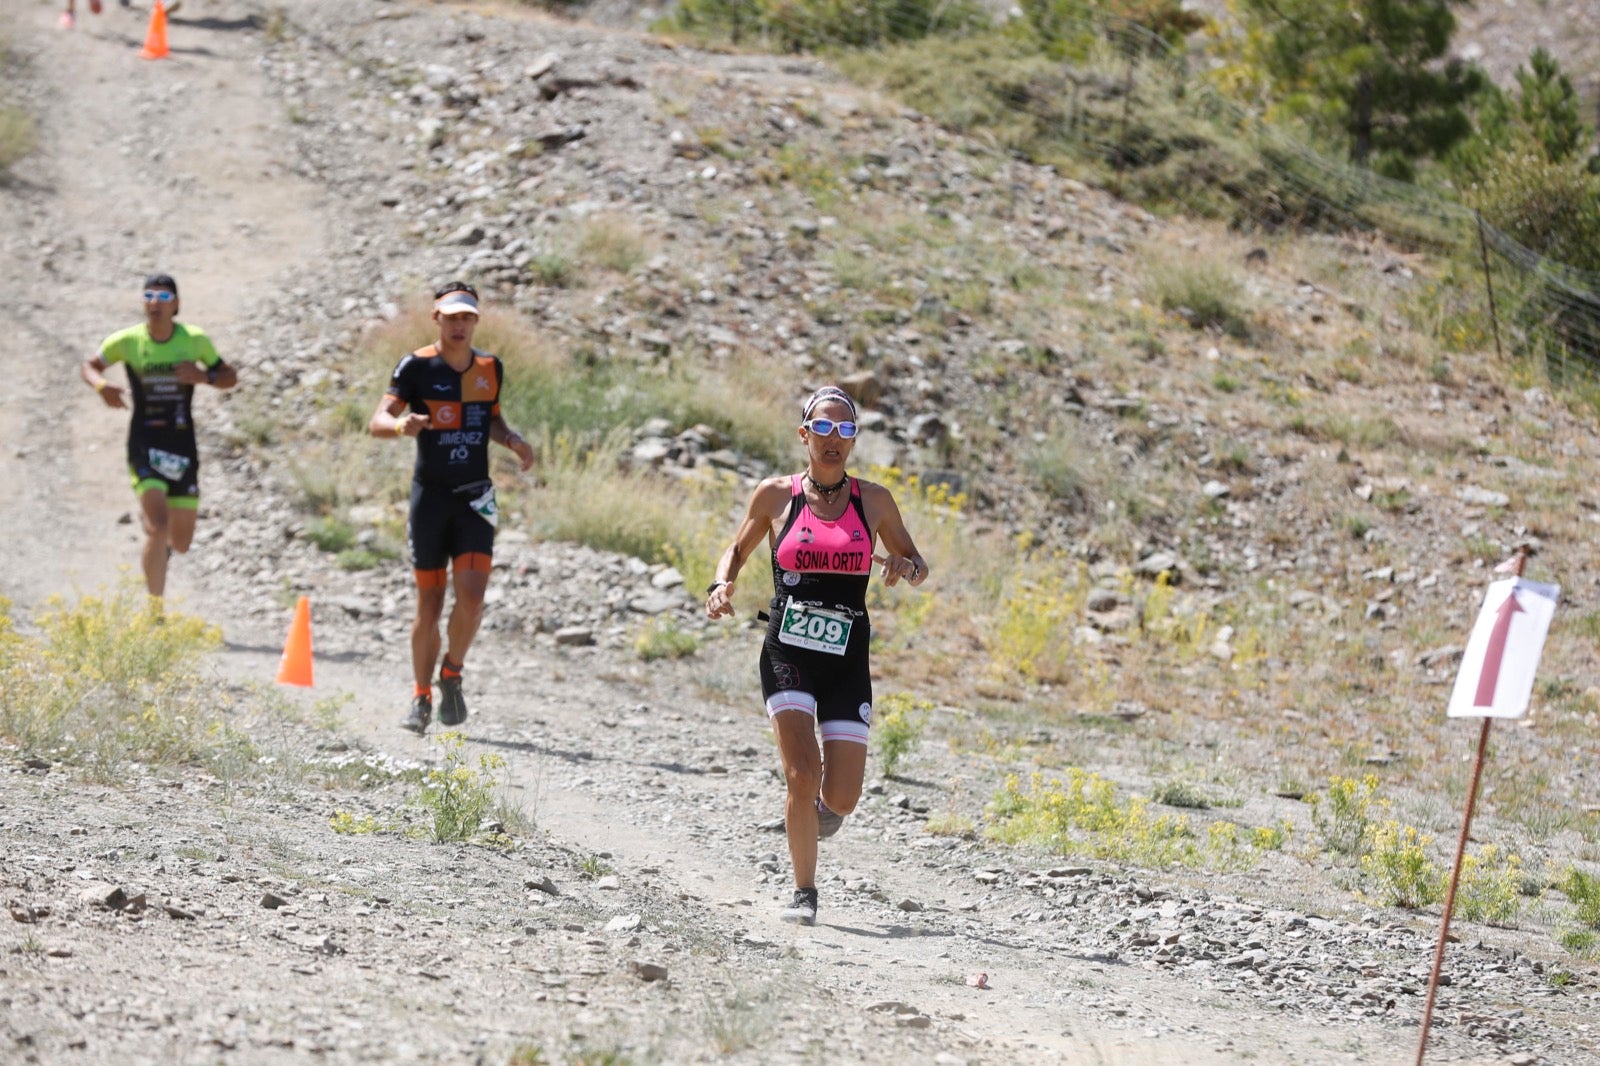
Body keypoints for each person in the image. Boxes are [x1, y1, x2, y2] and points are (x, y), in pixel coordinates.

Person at [705, 385, 930, 925]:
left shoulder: (873, 500)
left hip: (847, 658)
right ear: (804, 435)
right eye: (823, 429)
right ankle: (804, 893)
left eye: (845, 430)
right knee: (801, 773)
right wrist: (721, 583)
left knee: (845, 796)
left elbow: (915, 559)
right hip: (787, 651)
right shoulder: (775, 496)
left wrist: (906, 568)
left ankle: (824, 813)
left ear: (854, 441)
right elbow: (737, 549)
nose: (834, 439)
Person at [368, 282, 534, 735]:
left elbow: (490, 418)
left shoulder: (489, 367)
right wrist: (403, 424)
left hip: (476, 496)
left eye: (467, 318)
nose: (459, 325)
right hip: (431, 498)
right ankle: (420, 697)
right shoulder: (416, 366)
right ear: (436, 318)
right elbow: (377, 421)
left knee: (474, 597)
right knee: (430, 601)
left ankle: (452, 672)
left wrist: (513, 440)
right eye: (451, 317)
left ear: (475, 321)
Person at [81, 273, 237, 604]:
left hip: (182, 444)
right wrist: (100, 386)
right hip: (144, 444)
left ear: (177, 305)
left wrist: (203, 376)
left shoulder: (194, 340)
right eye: (149, 295)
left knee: (180, 542)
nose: (155, 302)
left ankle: (160, 543)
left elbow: (229, 376)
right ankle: (155, 612)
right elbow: (90, 365)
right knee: (157, 525)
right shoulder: (127, 341)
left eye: (164, 297)